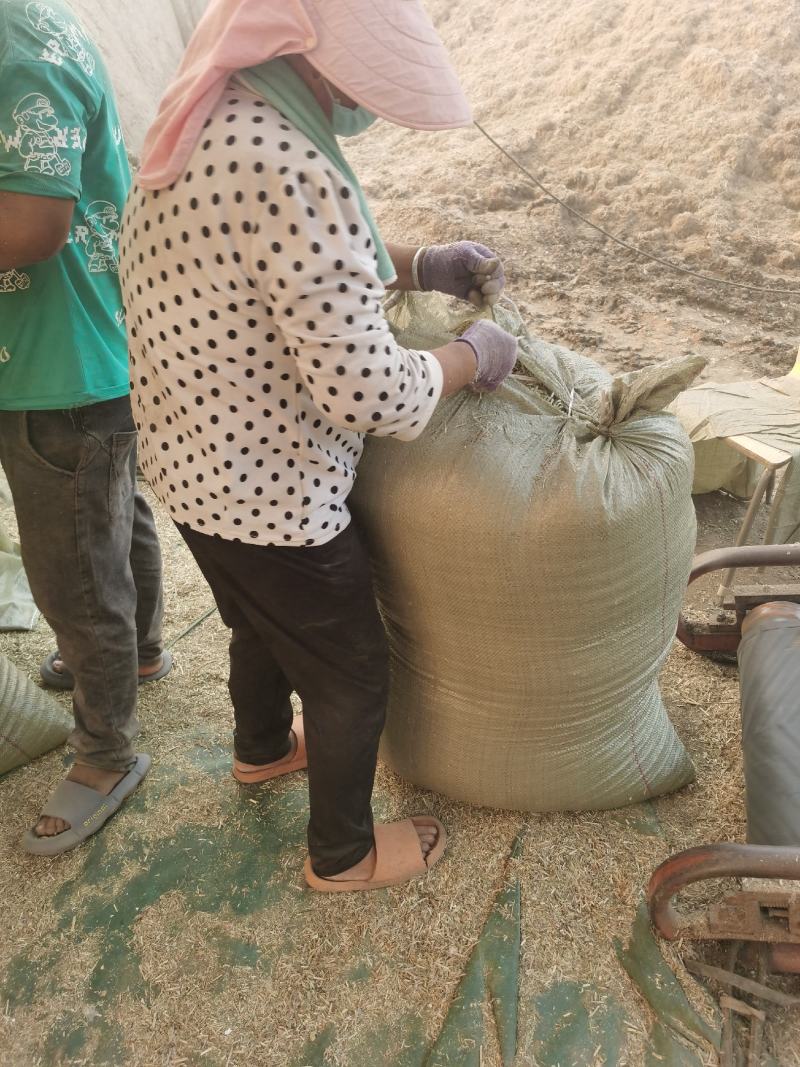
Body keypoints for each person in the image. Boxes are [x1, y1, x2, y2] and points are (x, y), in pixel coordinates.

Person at [120, 0, 518, 893]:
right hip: (272, 489)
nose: (364, 97)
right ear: (304, 48)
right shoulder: (289, 164)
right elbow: (368, 390)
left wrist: (415, 265)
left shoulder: (206, 116)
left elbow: (287, 270)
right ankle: (344, 853)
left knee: (255, 623)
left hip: (188, 471)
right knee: (350, 670)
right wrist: (467, 356)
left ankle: (260, 747)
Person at [0, 0, 170, 856]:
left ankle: (106, 752)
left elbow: (34, 225)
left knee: (72, 569)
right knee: (107, 512)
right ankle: (136, 651)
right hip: (84, 343)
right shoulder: (41, 20)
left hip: (54, 365)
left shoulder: (17, 51)